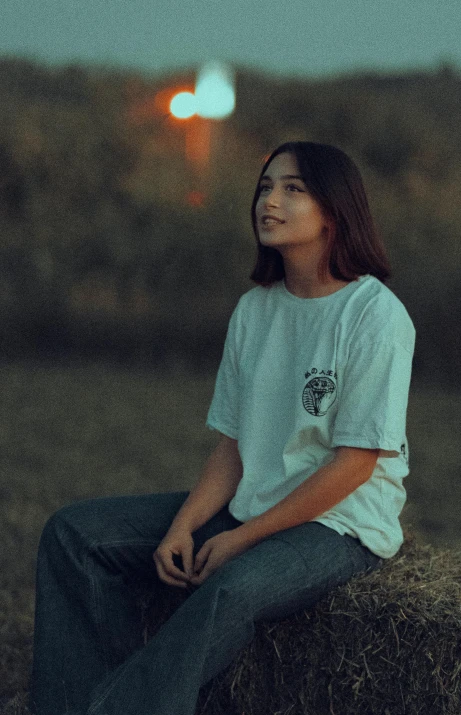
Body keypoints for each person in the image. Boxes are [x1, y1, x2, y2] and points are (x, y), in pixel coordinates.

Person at [30, 141, 415, 715]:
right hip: (249, 504)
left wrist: (240, 539)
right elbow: (233, 448)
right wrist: (183, 528)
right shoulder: (254, 311)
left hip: (340, 524)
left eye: (292, 189)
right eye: (265, 187)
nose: (270, 201)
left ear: (334, 211)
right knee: (73, 534)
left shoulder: (373, 314)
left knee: (230, 589)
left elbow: (355, 464)